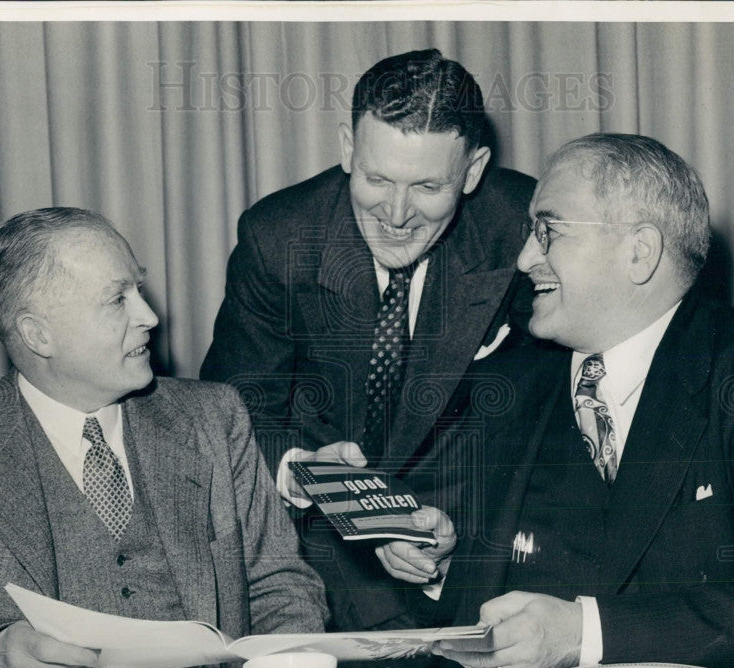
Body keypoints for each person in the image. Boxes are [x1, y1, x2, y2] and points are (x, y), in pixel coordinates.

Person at [378, 133, 734, 668]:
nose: (525, 259)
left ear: (639, 252)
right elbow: (495, 604)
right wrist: (446, 567)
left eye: (548, 231)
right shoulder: (513, 382)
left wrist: (583, 634)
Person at [0, 208, 328, 668]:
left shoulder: (214, 417)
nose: (149, 316)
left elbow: (280, 583)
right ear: (39, 336)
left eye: (138, 290)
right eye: (117, 299)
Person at [199, 49, 536, 632]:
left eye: (429, 186)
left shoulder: (522, 225)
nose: (398, 215)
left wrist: (460, 529)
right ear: (347, 149)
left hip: (481, 534)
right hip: (322, 549)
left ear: (474, 171)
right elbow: (232, 407)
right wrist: (308, 472)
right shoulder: (277, 237)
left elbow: (555, 404)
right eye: (377, 179)